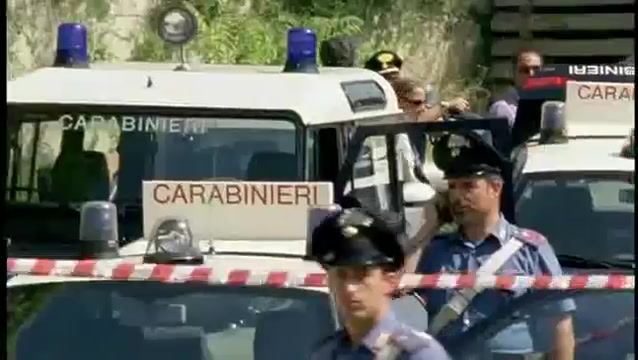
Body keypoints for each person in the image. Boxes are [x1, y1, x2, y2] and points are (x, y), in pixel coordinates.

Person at [414, 132, 576, 360]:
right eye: (452, 187)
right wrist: (427, 228)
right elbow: (395, 293)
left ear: (495, 188)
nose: (457, 197)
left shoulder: (530, 249)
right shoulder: (436, 250)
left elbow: (560, 324)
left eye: (468, 186)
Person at [308, 207, 452, 360]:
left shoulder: (420, 354)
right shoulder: (325, 353)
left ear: (391, 280)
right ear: (329, 281)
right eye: (341, 275)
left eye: (362, 275)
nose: (349, 288)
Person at [364, 51, 471, 114]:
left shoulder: (410, 95)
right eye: (387, 78)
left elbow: (424, 109)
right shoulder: (371, 102)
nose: (393, 83)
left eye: (395, 77)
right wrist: (448, 105)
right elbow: (419, 117)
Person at [488, 48, 543, 127]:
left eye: (536, 69)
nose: (531, 74)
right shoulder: (502, 108)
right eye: (524, 70)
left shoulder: (554, 106)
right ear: (514, 74)